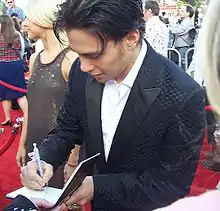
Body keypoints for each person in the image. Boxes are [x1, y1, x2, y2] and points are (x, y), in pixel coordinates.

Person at [20, 0, 206, 210]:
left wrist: (98, 186)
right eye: (78, 53)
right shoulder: (80, 73)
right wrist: (44, 160)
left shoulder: (182, 93)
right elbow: (66, 129)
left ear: (131, 38)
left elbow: (172, 183)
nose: (84, 66)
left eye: (94, 55)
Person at [16, 0, 80, 188]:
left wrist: (72, 160)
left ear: (44, 20)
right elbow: (31, 105)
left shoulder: (71, 59)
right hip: (35, 144)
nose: (24, 23)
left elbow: (79, 114)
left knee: (63, 202)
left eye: (29, 18)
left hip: (62, 148)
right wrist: (23, 142)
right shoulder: (35, 58)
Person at [0, 14, 28, 126]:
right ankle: (28, 115)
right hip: (16, 65)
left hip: (3, 66)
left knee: (4, 94)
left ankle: (7, 118)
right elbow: (22, 50)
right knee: (20, 92)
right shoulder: (17, 35)